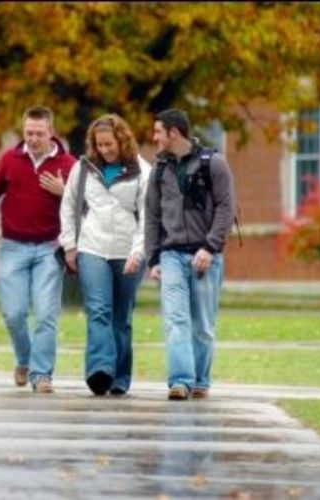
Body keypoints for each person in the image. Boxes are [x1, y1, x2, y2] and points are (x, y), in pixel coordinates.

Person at [144, 108, 236, 400]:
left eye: (158, 132)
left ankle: (200, 381)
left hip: (206, 256)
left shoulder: (214, 164)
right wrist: (154, 258)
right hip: (171, 255)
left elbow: (226, 208)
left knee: (203, 327)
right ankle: (181, 381)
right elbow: (152, 216)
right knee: (175, 320)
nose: (154, 137)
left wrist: (210, 247)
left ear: (173, 132)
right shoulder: (158, 170)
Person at [59, 114, 150, 396]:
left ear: (122, 140)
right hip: (92, 248)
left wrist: (139, 251)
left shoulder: (142, 171)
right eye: (99, 145)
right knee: (98, 310)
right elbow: (69, 206)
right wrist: (69, 245)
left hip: (127, 252)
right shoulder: (83, 169)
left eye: (109, 144)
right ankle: (100, 371)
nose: (105, 150)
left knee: (121, 317)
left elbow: (148, 216)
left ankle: (120, 378)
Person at [0, 105, 76, 393]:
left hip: (49, 249)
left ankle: (42, 375)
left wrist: (64, 192)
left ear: (51, 133)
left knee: (45, 314)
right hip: (13, 246)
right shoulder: (9, 159)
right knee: (13, 314)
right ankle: (25, 359)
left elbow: (86, 204)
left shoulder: (68, 164)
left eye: (39, 133)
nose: (33, 139)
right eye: (29, 133)